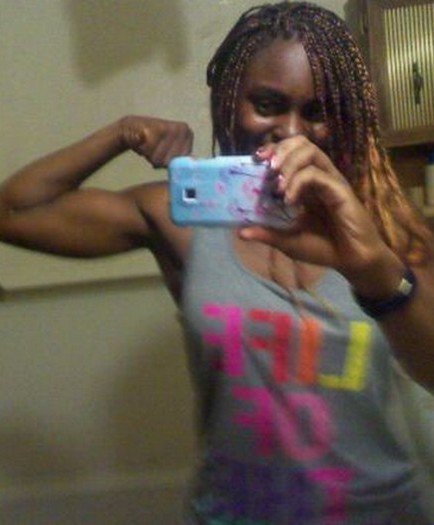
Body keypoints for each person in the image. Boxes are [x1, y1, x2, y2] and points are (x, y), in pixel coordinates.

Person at [1, 1, 434, 523]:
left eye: (318, 111)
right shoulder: (184, 221)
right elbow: (14, 212)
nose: (291, 132)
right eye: (267, 104)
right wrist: (120, 133)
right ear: (228, 100)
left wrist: (374, 270)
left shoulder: (390, 231)